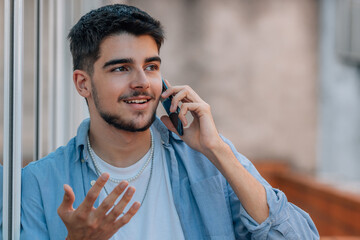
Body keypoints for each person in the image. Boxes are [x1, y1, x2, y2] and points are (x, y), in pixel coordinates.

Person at [21, 4, 319, 240]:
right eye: (121, 68)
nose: (141, 82)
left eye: (151, 66)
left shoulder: (206, 159)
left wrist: (218, 150)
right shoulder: (39, 182)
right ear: (83, 84)